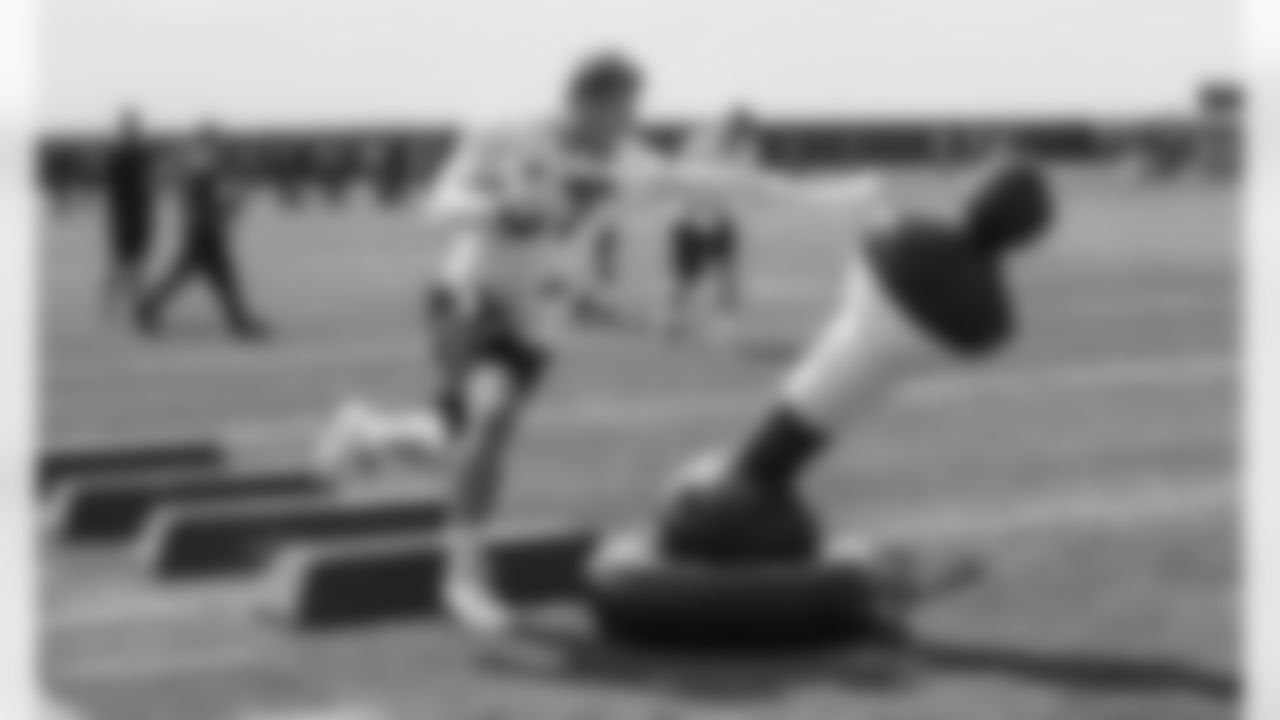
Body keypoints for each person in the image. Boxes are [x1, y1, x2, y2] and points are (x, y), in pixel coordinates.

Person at [316, 50, 890, 634]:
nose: (629, 121)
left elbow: (727, 182)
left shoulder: (628, 161)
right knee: (491, 415)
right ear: (584, 102)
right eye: (622, 108)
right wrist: (497, 208)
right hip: (472, 293)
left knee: (455, 437)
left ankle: (368, 433)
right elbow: (439, 203)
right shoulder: (508, 132)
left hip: (540, 314)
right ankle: (464, 577)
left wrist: (827, 198)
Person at [657, 155, 1055, 568]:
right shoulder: (989, 316)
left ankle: (756, 475)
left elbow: (877, 229)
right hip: (881, 343)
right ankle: (759, 476)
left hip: (862, 336)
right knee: (835, 387)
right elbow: (988, 337)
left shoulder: (902, 233)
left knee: (826, 387)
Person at [138, 124, 269, 340]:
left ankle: (147, 308)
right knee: (221, 278)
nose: (216, 147)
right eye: (213, 142)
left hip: (203, 233)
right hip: (205, 235)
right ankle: (240, 322)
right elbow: (206, 208)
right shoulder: (200, 170)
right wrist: (232, 205)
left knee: (195, 277)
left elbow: (206, 205)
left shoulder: (199, 168)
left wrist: (230, 205)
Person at [666, 108, 760, 341]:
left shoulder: (746, 150)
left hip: (721, 218)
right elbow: (685, 176)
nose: (740, 137)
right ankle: (675, 321)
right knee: (686, 277)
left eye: (744, 133)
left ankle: (725, 327)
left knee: (727, 274)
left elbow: (744, 181)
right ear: (729, 126)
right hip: (690, 217)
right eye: (738, 130)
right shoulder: (701, 143)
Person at [102, 109, 155, 323]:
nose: (134, 132)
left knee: (135, 262)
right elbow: (116, 188)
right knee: (124, 263)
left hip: (140, 213)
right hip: (124, 215)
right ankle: (116, 302)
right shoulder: (118, 157)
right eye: (131, 128)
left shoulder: (141, 154)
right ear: (125, 130)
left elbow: (147, 184)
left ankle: (133, 305)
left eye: (136, 128)